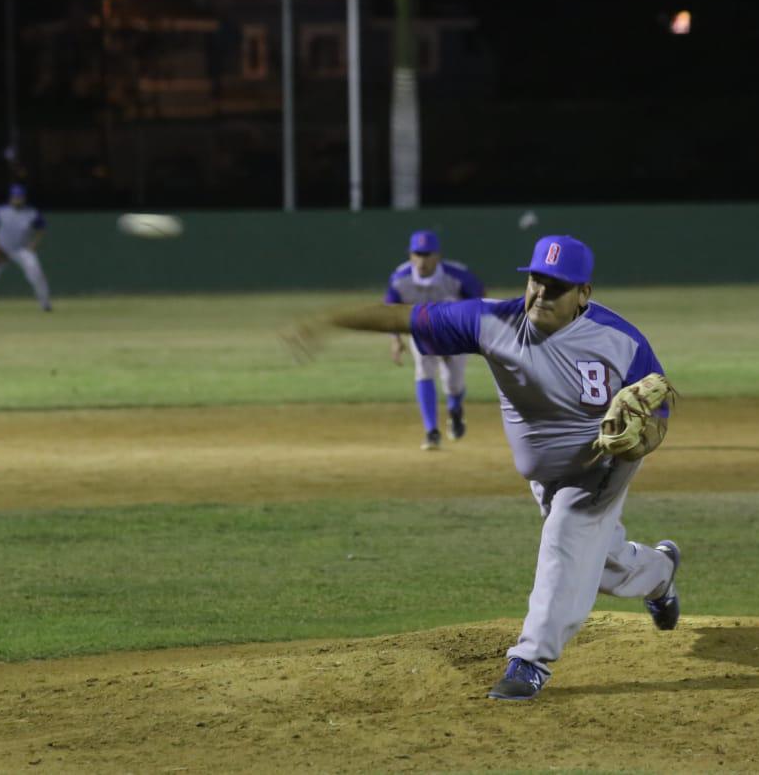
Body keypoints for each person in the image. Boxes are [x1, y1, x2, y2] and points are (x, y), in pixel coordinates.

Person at [287, 234, 679, 701]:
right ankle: (658, 571)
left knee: (567, 534)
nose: (541, 293)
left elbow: (656, 408)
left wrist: (643, 442)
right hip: (546, 474)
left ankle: (530, 661)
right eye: (537, 279)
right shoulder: (493, 320)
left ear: (584, 294)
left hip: (599, 464)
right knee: (600, 563)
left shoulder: (622, 340)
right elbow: (403, 317)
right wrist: (328, 321)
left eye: (557, 287)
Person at [384, 230, 485, 450]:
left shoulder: (457, 276)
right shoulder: (400, 279)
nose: (421, 259)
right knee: (423, 371)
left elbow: (479, 300)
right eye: (417, 254)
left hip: (455, 333)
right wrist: (395, 339)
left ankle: (455, 409)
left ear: (437, 256)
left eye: (427, 254)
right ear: (410, 255)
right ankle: (431, 431)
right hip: (422, 332)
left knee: (453, 384)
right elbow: (390, 311)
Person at [0, 183, 52, 312]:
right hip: (3, 249)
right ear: (10, 197)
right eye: (15, 197)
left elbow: (42, 228)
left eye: (20, 197)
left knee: (36, 272)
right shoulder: (1, 211)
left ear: (24, 198)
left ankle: (45, 304)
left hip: (22, 250)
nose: (17, 199)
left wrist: (34, 244)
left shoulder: (31, 213)